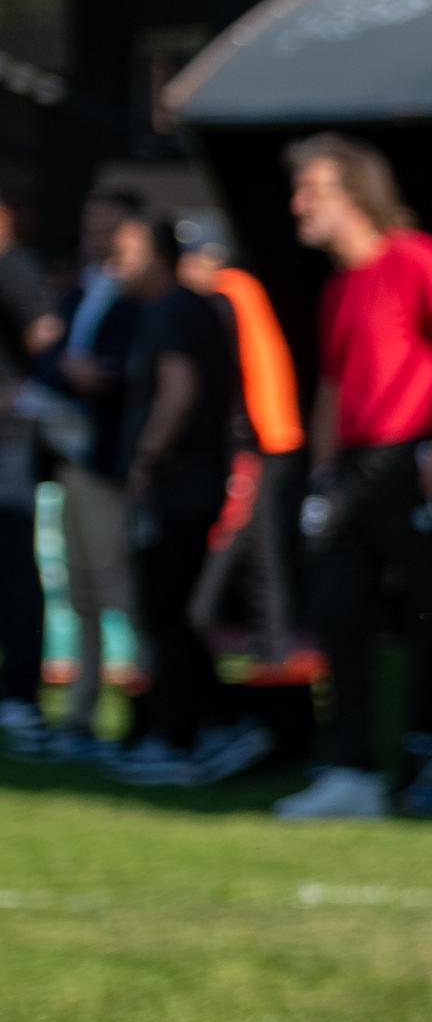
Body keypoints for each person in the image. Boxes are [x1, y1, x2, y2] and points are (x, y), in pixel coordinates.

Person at [272, 133, 432, 823]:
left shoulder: (418, 258)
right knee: (336, 610)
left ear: (355, 194)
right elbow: (331, 385)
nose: (298, 205)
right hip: (352, 468)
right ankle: (352, 769)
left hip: (413, 458)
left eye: (313, 191)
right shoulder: (340, 286)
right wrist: (321, 478)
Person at [104, 209, 258, 785]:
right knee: (172, 610)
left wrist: (146, 460)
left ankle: (189, 730)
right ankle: (199, 724)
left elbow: (179, 389)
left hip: (179, 486)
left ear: (159, 254)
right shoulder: (189, 308)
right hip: (192, 481)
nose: (113, 262)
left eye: (124, 248)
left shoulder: (173, 309)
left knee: (166, 609)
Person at [176, 217, 309, 671]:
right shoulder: (239, 291)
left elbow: (235, 376)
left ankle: (245, 640)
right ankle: (264, 642)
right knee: (252, 541)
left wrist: (234, 441)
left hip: (258, 438)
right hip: (266, 435)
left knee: (241, 538)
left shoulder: (227, 294)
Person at [47, 186, 145, 757]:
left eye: (107, 225)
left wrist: (97, 375)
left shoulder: (140, 297)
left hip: (111, 464)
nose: (96, 235)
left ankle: (147, 712)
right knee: (81, 591)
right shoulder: (79, 290)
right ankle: (81, 714)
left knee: (120, 590)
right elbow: (54, 358)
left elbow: (140, 373)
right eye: (91, 223)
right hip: (73, 458)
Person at [0, 180, 60, 744]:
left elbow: (48, 338)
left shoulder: (13, 267)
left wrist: (22, 393)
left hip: (10, 444)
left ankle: (20, 696)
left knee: (15, 564)